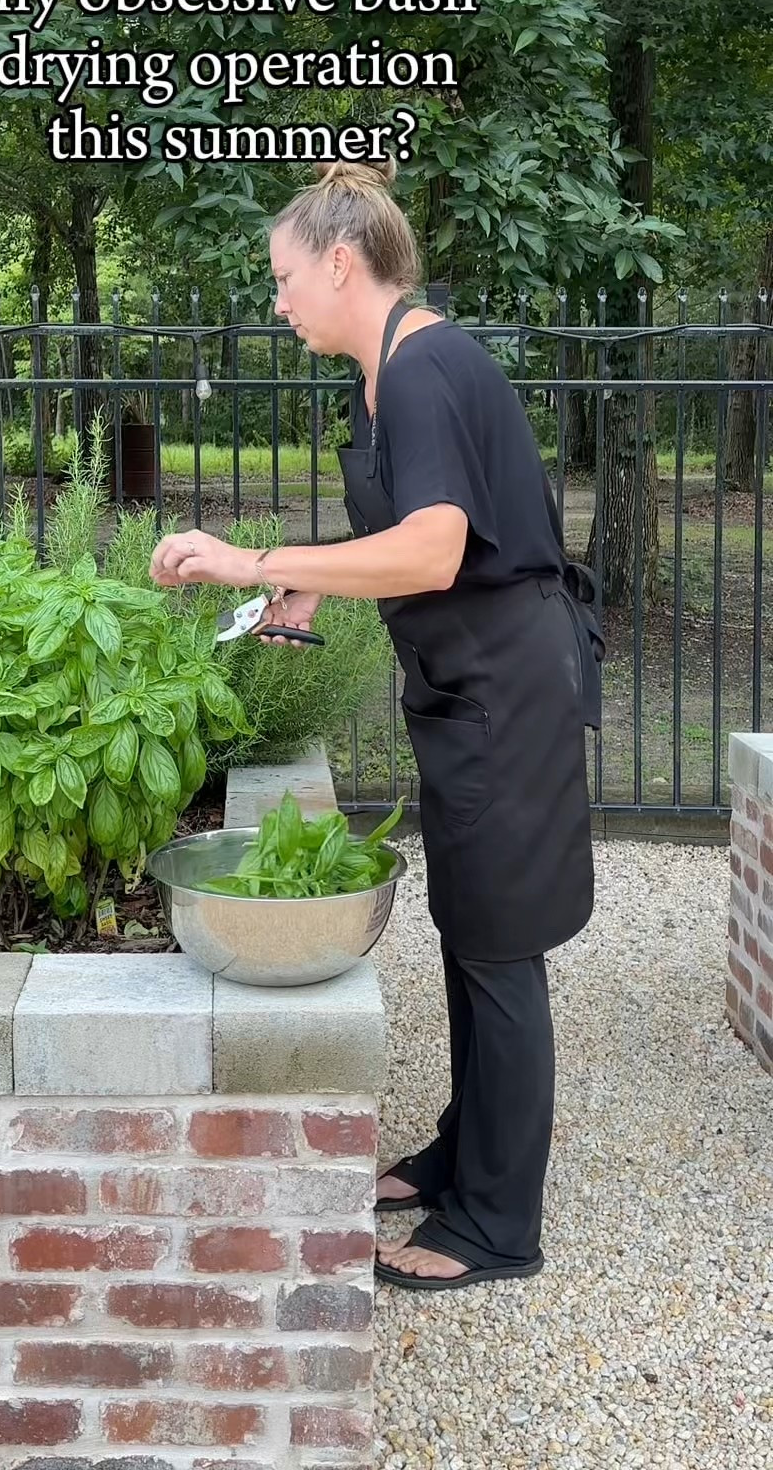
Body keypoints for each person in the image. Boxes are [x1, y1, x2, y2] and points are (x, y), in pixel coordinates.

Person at [149, 155, 605, 1295]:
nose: (279, 300)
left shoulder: (420, 368)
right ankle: (466, 1152)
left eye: (285, 279)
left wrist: (253, 559)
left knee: (500, 947)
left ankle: (499, 1224)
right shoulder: (394, 367)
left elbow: (438, 546)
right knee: (469, 925)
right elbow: (413, 545)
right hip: (471, 685)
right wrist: (308, 586)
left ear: (340, 263)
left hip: (505, 688)